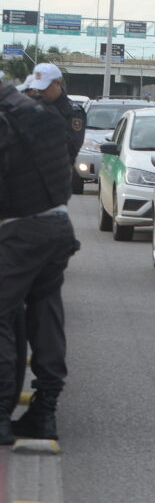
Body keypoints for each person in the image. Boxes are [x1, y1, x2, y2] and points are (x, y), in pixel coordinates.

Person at [0, 71, 80, 443]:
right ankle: (44, 412)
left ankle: (0, 416)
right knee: (45, 314)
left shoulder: (5, 125)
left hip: (20, 233)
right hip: (58, 226)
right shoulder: (42, 115)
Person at [30, 63, 86, 164]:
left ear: (58, 82)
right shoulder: (35, 106)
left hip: (59, 172)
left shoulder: (73, 111)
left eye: (45, 88)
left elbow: (72, 148)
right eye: (38, 89)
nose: (41, 92)